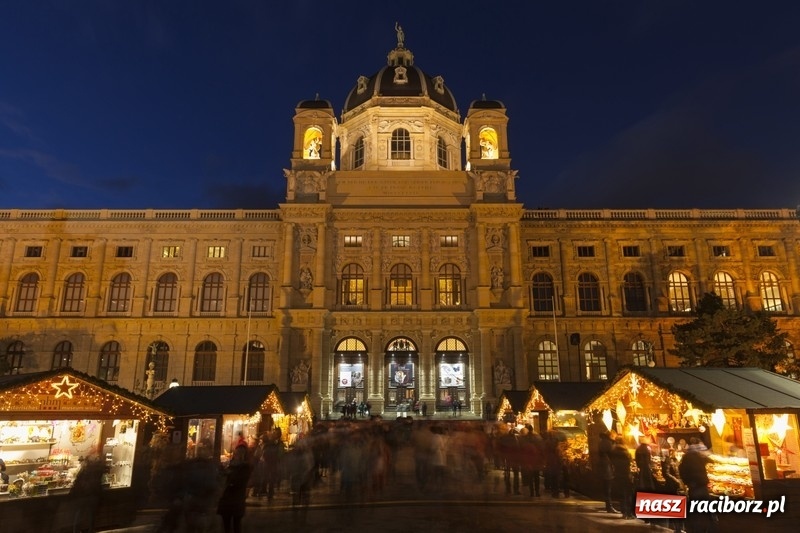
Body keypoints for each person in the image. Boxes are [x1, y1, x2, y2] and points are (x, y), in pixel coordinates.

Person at [217, 444, 252, 533]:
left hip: (236, 498)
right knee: (226, 524)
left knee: (236, 524)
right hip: (227, 499)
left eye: (240, 453)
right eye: (237, 453)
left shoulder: (245, 467)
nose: (238, 455)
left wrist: (228, 478)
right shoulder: (231, 465)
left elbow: (240, 482)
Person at [609, 436, 634, 518]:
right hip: (626, 473)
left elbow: (611, 462)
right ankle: (629, 513)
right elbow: (630, 461)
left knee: (621, 495)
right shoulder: (626, 451)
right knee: (628, 494)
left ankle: (624, 513)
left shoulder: (613, 451)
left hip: (618, 473)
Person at [597, 431, 617, 513]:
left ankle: (608, 505)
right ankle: (609, 507)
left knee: (606, 488)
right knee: (608, 487)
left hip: (603, 467)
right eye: (614, 436)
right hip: (607, 468)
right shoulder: (608, 443)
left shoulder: (601, 442)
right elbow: (612, 454)